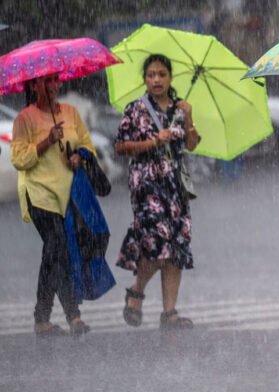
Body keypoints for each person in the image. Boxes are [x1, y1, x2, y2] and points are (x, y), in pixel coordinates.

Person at [115, 54, 201, 331]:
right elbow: (121, 146)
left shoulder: (180, 107)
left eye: (162, 74)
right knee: (156, 243)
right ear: (145, 79)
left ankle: (170, 312)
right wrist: (153, 141)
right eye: (151, 75)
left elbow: (192, 143)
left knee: (175, 246)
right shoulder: (135, 109)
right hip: (146, 184)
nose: (156, 80)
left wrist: (188, 118)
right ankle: (136, 291)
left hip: (175, 185)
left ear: (170, 78)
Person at [10, 73, 95, 337]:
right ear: (33, 86)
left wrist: (78, 158)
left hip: (66, 194)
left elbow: (87, 147)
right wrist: (47, 140)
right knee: (57, 246)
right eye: (44, 81)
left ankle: (42, 318)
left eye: (55, 79)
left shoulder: (70, 112)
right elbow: (19, 159)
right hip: (38, 194)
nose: (51, 85)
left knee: (56, 253)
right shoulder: (25, 118)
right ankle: (73, 316)